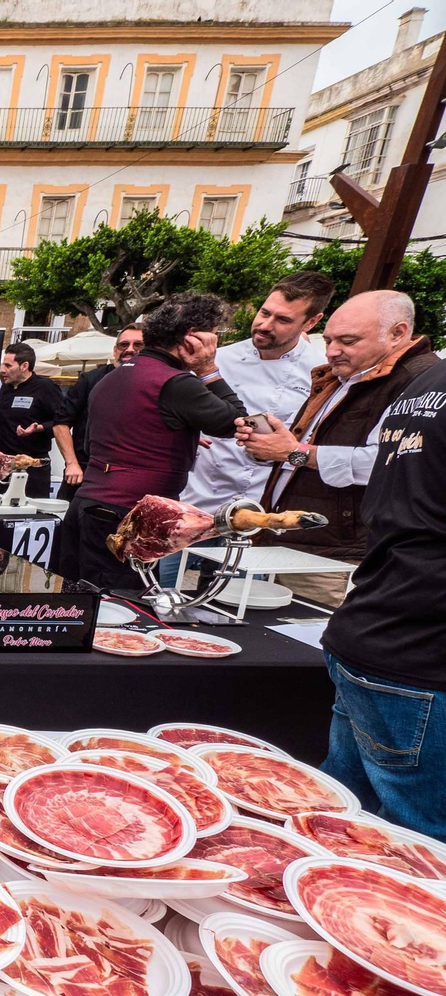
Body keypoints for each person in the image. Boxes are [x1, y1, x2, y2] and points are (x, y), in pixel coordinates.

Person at [239, 288, 436, 607]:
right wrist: (267, 446)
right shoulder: (348, 375)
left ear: (397, 333)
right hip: (293, 541)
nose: (331, 351)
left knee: (301, 647)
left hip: (335, 554)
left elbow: (386, 462)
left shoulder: (415, 381)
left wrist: (293, 452)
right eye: (328, 340)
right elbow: (300, 447)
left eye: (347, 341)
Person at [316, 354, 446, 837]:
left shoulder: (425, 381)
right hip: (419, 646)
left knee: (342, 819)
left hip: (381, 627)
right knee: (417, 841)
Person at [57, 293, 247, 590]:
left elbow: (93, 444)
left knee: (81, 600)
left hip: (89, 503)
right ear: (192, 339)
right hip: (131, 513)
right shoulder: (175, 382)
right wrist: (208, 369)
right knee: (122, 608)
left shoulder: (110, 378)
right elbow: (235, 422)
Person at [157, 273, 332, 586]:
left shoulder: (320, 372)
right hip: (197, 501)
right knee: (168, 593)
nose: (265, 325)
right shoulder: (217, 359)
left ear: (311, 322)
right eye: (264, 312)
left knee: (236, 603)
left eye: (282, 320)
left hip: (257, 513)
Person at [53, 324, 143, 500]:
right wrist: (71, 463)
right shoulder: (91, 379)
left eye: (138, 345)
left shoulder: (158, 384)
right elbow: (61, 423)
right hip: (84, 473)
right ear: (115, 350)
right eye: (124, 345)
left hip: (130, 478)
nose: (130, 350)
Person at [0, 342, 62, 497]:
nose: (2, 370)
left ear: (24, 366)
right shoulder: (6, 387)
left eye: (8, 365)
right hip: (4, 466)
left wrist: (38, 428)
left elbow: (60, 423)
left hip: (32, 467)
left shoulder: (45, 387)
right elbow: (1, 415)